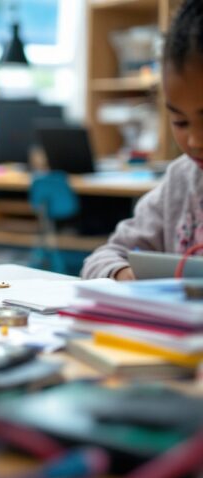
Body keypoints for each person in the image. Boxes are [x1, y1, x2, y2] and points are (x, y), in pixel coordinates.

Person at [82, 0, 203, 280]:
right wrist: (127, 275)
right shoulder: (183, 180)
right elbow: (103, 258)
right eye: (180, 122)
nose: (195, 140)